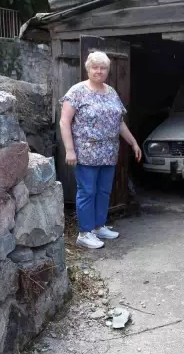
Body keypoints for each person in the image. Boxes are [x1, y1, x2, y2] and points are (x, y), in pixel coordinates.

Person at [59, 51, 142, 249]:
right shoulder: (77, 91)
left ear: (107, 71)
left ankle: (98, 226)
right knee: (87, 191)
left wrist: (133, 142)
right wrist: (69, 150)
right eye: (95, 67)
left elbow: (119, 122)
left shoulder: (111, 92)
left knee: (104, 191)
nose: (99, 71)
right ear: (88, 69)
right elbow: (64, 122)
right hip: (86, 152)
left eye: (103, 68)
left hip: (108, 152)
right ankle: (85, 233)